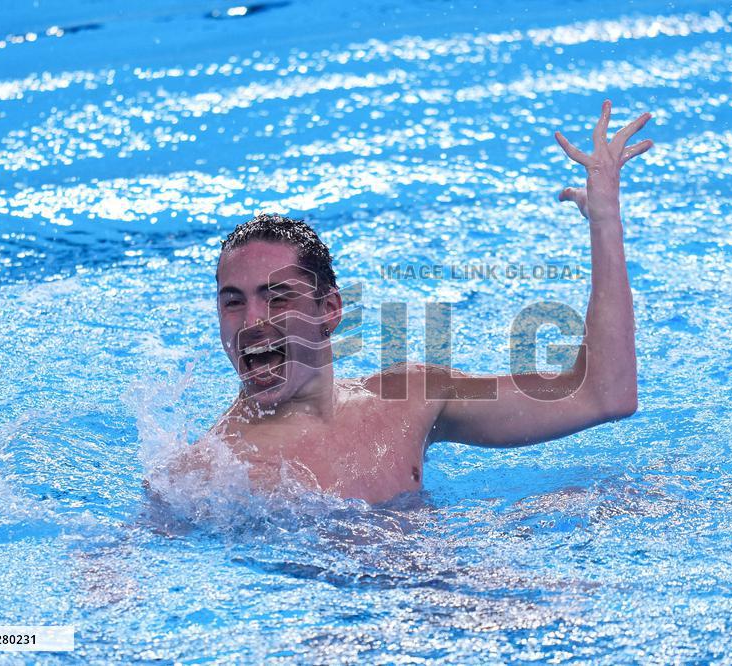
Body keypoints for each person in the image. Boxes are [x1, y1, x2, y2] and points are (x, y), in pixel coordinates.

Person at [150, 100, 652, 506]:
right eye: (232, 302)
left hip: (458, 597)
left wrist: (605, 223)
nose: (252, 322)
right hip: (347, 627)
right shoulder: (209, 475)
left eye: (275, 296)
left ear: (330, 312)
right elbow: (127, 554)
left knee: (635, 498)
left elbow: (605, 395)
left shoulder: (405, 401)